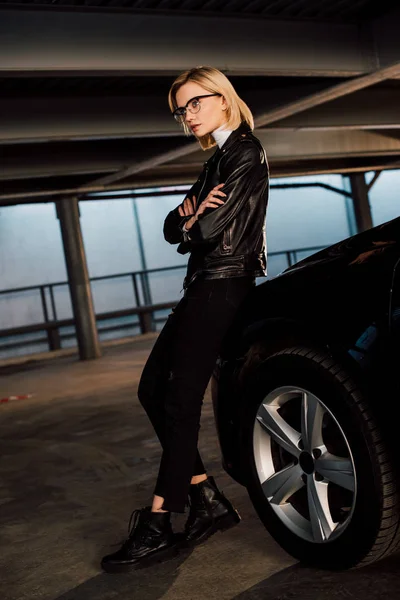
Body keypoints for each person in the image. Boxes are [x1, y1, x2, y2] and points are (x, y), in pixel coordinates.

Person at [101, 65, 269, 573]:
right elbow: (172, 226)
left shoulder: (244, 151)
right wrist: (190, 220)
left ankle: (159, 522)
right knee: (152, 388)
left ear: (223, 98)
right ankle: (205, 498)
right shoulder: (216, 160)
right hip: (202, 285)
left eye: (196, 102)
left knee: (179, 398)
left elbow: (207, 229)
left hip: (225, 283)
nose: (187, 115)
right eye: (181, 109)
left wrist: (192, 221)